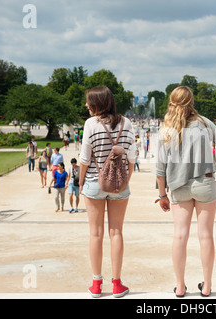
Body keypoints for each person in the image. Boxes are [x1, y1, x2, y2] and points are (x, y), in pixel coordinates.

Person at [156, 86, 216, 298]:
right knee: (205, 236)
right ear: (191, 101)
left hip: (179, 186)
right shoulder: (204, 122)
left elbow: (160, 170)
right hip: (205, 182)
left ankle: (180, 286)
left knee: (180, 236)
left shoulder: (167, 127)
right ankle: (206, 286)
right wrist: (211, 162)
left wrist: (162, 195)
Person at [79, 86, 136, 298]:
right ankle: (117, 284)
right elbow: (131, 158)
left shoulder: (91, 124)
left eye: (89, 102)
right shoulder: (126, 123)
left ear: (97, 104)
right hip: (120, 185)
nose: (86, 105)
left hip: (94, 182)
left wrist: (81, 182)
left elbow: (85, 158)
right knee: (116, 232)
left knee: (95, 233)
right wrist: (125, 181)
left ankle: (96, 284)